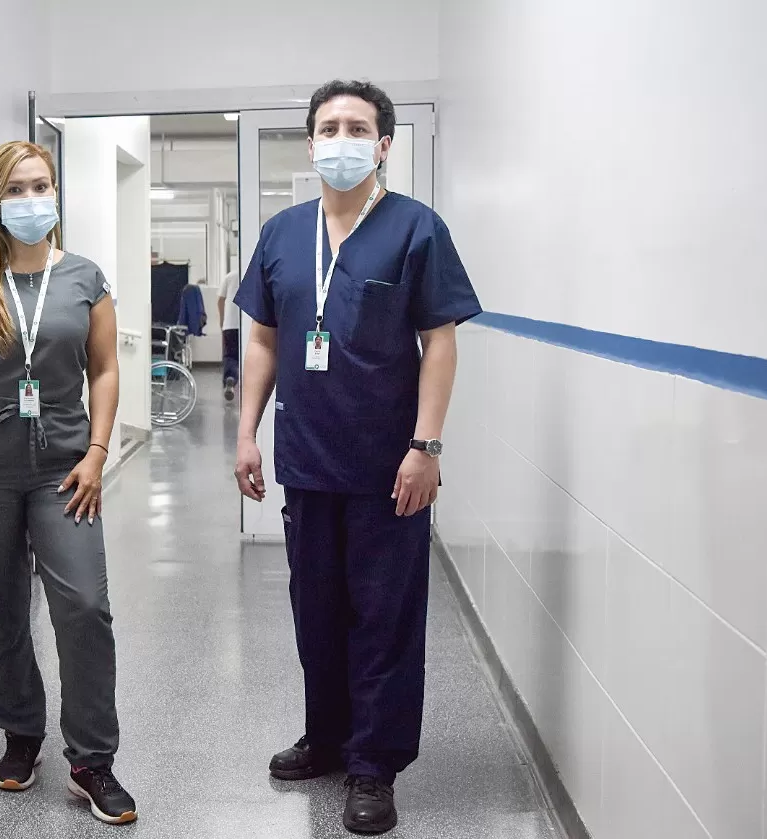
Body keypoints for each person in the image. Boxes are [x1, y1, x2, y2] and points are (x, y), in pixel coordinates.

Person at [233, 80, 481, 835]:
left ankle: (374, 764)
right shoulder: (281, 233)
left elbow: (439, 341)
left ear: (382, 145)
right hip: (308, 463)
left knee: (384, 618)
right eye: (328, 127)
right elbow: (266, 338)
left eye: (358, 127)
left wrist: (424, 445)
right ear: (309, 144)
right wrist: (246, 431)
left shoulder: (415, 227)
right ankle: (328, 737)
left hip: (387, 468)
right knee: (317, 613)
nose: (341, 139)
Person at [0, 140, 137, 826]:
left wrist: (99, 448)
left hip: (64, 469)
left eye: (40, 185)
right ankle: (21, 732)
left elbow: (103, 369)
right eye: (15, 188)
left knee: (83, 605)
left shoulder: (84, 278)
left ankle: (91, 759)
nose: (30, 199)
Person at [218, 262, 241, 401]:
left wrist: (222, 320)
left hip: (229, 324)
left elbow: (220, 300)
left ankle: (230, 378)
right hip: (246, 324)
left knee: (230, 355)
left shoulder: (229, 277)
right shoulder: (251, 275)